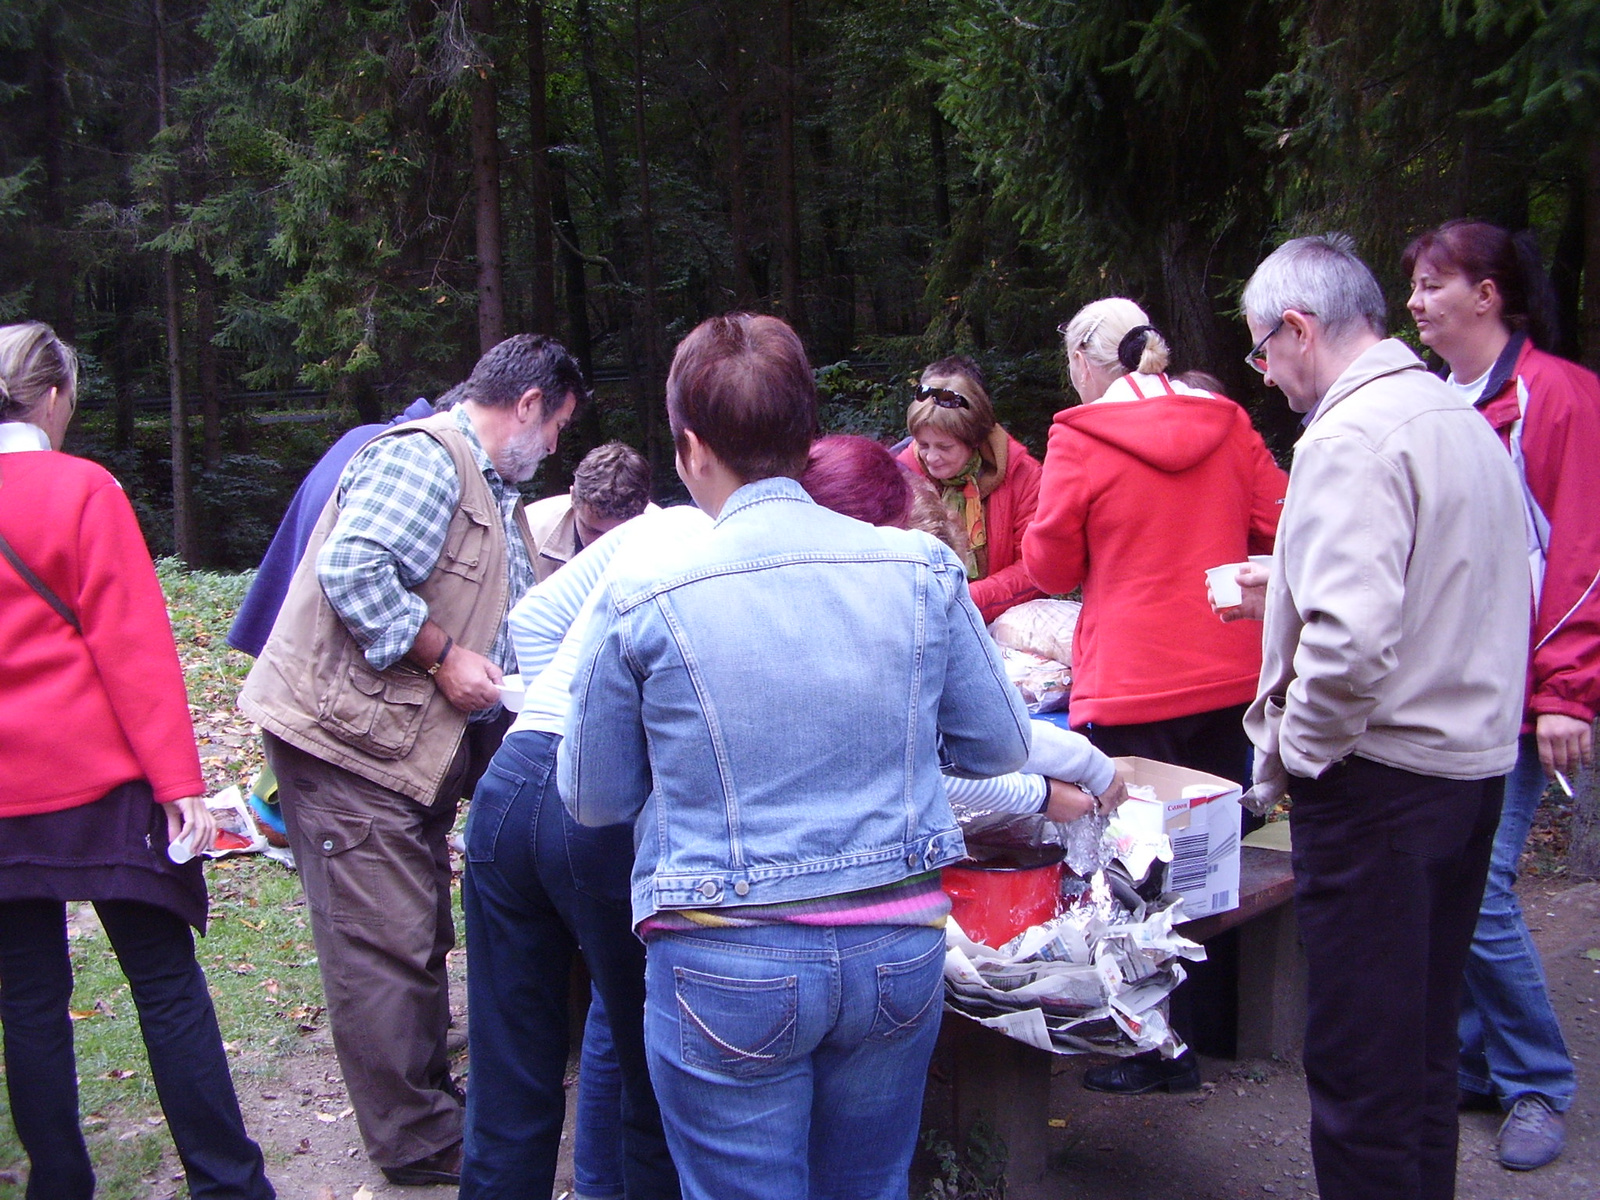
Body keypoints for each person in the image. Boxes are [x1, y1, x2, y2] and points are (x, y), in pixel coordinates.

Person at [560, 314, 1032, 1200]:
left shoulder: (642, 596)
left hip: (725, 957)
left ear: (692, 449)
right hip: (896, 949)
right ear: (806, 436)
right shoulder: (920, 570)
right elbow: (999, 742)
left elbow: (592, 798)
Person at [239, 333, 585, 1187]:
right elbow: (351, 568)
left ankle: (429, 1101)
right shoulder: (429, 460)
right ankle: (419, 1143)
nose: (555, 451)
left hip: (401, 750)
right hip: (348, 748)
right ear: (530, 404)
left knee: (418, 928)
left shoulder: (490, 483)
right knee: (383, 945)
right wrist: (441, 656)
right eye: (559, 428)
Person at [1241, 234, 1529, 1200]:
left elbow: (1353, 639)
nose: (1267, 375)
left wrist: (1305, 752)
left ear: (1298, 328)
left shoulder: (1349, 434)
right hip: (1470, 773)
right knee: (1420, 1055)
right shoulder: (1454, 413)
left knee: (1364, 1070)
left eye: (1262, 351)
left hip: (1382, 786)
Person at [0, 321, 275, 1200]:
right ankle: (226, 1184)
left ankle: (58, 1186)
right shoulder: (83, 489)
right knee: (164, 983)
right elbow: (134, 647)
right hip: (104, 782)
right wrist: (179, 785)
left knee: (28, 1005)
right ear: (52, 397)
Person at [1022, 297, 1287, 1091]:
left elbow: (1049, 570)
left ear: (1083, 363)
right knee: (1213, 856)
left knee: (1136, 869)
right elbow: (1282, 519)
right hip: (1228, 668)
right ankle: (1219, 1029)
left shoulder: (1080, 434)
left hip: (1132, 680)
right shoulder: (1228, 419)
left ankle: (1156, 1051)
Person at [1403, 218, 1600, 1171]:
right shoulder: (1442, 401)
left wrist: (1567, 690)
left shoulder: (1557, 396)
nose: (1415, 302)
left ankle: (1538, 1081)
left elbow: (1583, 553)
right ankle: (1477, 1063)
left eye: (1434, 285)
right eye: (1412, 287)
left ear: (1489, 295)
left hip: (1526, 692)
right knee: (1452, 879)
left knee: (1479, 892)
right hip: (1451, 686)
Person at [460, 504, 703, 1200]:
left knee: (508, 1080)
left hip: (511, 781)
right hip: (602, 809)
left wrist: (559, 713)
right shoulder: (752, 559)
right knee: (653, 1073)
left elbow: (533, 619)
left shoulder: (662, 523)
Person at [227, 393, 444, 657]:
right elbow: (353, 567)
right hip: (321, 653)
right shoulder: (408, 463)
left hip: (289, 630)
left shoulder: (364, 436)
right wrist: (442, 656)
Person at [894, 355, 1046, 621]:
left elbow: (1034, 567)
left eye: (944, 447)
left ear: (974, 440)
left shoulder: (1023, 475)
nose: (930, 458)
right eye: (923, 444)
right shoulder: (902, 474)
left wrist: (966, 599)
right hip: (924, 618)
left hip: (1004, 618)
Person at [525, 440, 656, 582]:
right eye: (593, 531)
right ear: (573, 497)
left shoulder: (666, 542)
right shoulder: (527, 535)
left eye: (618, 534)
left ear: (644, 511)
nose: (603, 545)